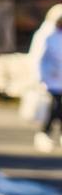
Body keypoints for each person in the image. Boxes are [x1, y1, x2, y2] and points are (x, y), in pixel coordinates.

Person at [36, 11, 62, 152]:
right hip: (52, 79)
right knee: (55, 107)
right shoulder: (49, 37)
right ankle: (45, 132)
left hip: (59, 78)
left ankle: (48, 133)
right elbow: (40, 59)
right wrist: (42, 76)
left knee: (58, 107)